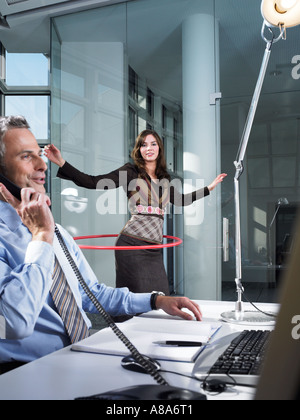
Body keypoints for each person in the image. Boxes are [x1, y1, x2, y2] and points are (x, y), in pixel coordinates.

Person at [0, 116, 203, 374]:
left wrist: (156, 301)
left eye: (39, 154)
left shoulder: (57, 232)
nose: (42, 164)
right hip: (23, 371)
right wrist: (41, 237)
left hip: (80, 355)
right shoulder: (40, 233)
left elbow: (88, 293)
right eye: (26, 156)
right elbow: (13, 321)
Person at [45, 130, 227, 295]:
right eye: (143, 144)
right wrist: (61, 162)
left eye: (153, 143)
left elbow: (181, 200)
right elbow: (93, 182)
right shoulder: (130, 172)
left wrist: (209, 188)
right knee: (135, 301)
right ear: (138, 149)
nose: (149, 148)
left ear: (159, 148)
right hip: (131, 245)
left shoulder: (165, 179)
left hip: (154, 249)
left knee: (160, 297)